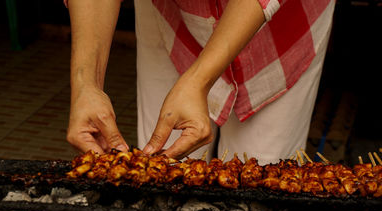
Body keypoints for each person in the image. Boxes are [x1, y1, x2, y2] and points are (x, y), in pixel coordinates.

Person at [65, 0, 335, 165]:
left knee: (262, 176)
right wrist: (85, 83)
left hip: (280, 28)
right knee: (165, 173)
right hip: (172, 17)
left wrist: (197, 81)